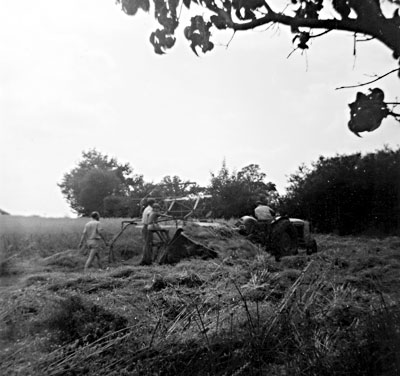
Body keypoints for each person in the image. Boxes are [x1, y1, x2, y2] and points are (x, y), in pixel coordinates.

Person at [140, 199, 155, 265]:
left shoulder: (147, 208)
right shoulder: (150, 209)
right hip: (147, 228)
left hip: (146, 227)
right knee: (148, 244)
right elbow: (150, 214)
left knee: (147, 244)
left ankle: (146, 259)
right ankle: (147, 261)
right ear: (152, 203)